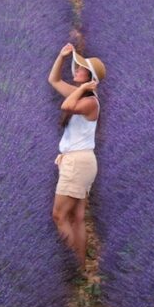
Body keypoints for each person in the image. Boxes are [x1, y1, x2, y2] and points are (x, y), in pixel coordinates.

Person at [47, 42, 106, 268]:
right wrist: (61, 56)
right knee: (77, 217)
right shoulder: (82, 95)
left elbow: (66, 106)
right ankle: (81, 267)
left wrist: (81, 89)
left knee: (59, 216)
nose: (76, 71)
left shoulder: (90, 102)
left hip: (78, 163)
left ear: (89, 77)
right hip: (82, 161)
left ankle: (72, 265)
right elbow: (53, 80)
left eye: (80, 69)